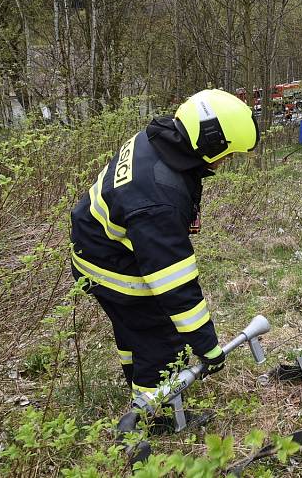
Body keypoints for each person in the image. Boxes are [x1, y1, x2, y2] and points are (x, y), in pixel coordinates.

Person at [70, 89, 258, 401]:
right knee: (161, 335)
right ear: (211, 143)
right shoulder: (159, 200)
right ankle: (156, 414)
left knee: (135, 328)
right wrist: (208, 347)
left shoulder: (158, 140)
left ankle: (137, 380)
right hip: (110, 265)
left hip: (96, 248)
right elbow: (175, 285)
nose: (225, 162)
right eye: (228, 154)